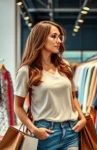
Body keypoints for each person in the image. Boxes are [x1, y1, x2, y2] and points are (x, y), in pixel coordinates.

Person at [14, 21, 86, 150]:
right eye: (53, 36)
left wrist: (82, 118)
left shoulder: (64, 66)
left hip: (71, 130)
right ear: (40, 39)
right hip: (46, 132)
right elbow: (18, 106)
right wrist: (34, 129)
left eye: (60, 37)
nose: (58, 40)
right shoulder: (27, 71)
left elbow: (73, 97)